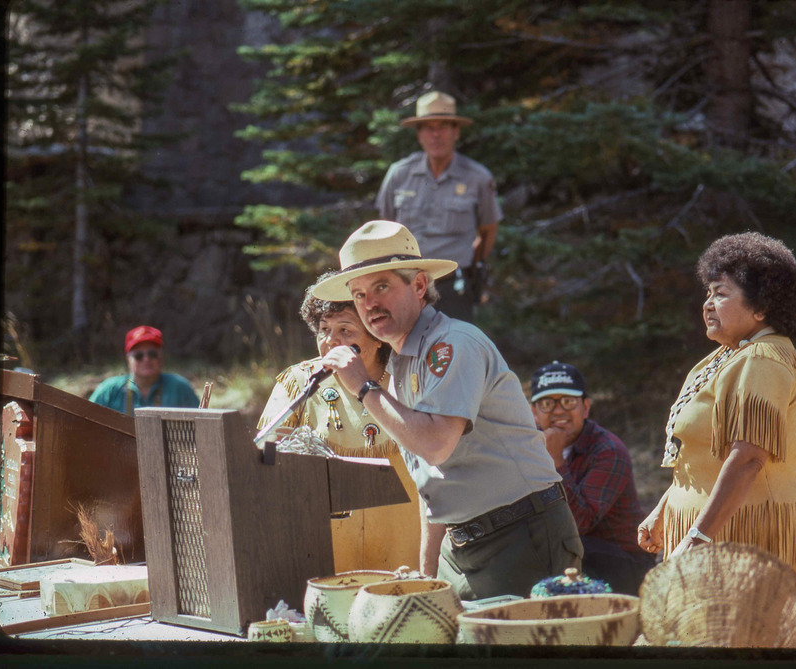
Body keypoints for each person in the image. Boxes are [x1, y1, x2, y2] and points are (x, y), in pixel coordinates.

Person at [312, 220, 581, 600]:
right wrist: (427, 575)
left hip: (521, 535)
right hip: (462, 545)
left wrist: (364, 386)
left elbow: (436, 445)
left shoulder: (453, 344)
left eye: (382, 287)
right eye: (358, 294)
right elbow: (433, 484)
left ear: (420, 285)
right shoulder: (403, 363)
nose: (369, 304)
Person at [636, 232, 796, 610]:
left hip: (754, 535)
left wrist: (697, 537)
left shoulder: (762, 359)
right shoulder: (729, 357)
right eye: (707, 293)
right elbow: (703, 453)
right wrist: (666, 506)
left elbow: (748, 458)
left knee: (745, 640)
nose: (707, 304)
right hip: (723, 532)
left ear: (761, 307)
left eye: (721, 293)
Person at [256, 273, 421, 572]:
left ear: (377, 336)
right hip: (322, 552)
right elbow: (264, 462)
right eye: (324, 329)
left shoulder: (409, 381)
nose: (330, 340)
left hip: (404, 547)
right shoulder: (298, 383)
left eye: (345, 330)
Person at [529, 361, 655, 595]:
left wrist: (555, 460)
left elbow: (579, 524)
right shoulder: (529, 447)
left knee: (562, 547)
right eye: (547, 404)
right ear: (534, 413)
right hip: (572, 552)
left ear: (585, 408)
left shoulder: (608, 450)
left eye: (568, 402)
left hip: (622, 562)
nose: (558, 411)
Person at [375, 91, 501, 322]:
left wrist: (469, 265)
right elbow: (385, 228)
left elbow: (488, 230)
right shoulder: (399, 174)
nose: (436, 135)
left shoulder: (477, 177)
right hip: (406, 285)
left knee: (452, 344)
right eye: (428, 128)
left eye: (443, 127)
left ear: (456, 132)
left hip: (453, 286)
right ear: (419, 134)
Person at [89, 325, 199, 415]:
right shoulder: (109, 391)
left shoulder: (180, 388)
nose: (146, 359)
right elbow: (87, 421)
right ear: (128, 360)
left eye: (152, 354)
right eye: (138, 355)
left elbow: (201, 424)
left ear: (161, 357)